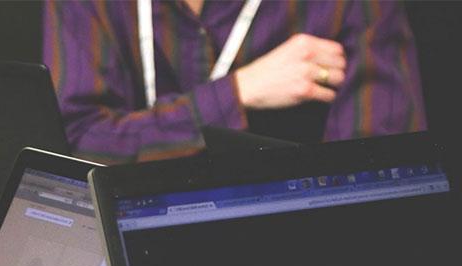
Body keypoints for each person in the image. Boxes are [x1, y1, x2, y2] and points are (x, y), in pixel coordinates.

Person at [43, 0, 427, 163]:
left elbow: (379, 172)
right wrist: (236, 94)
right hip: (120, 245)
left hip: (283, 257)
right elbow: (74, 145)